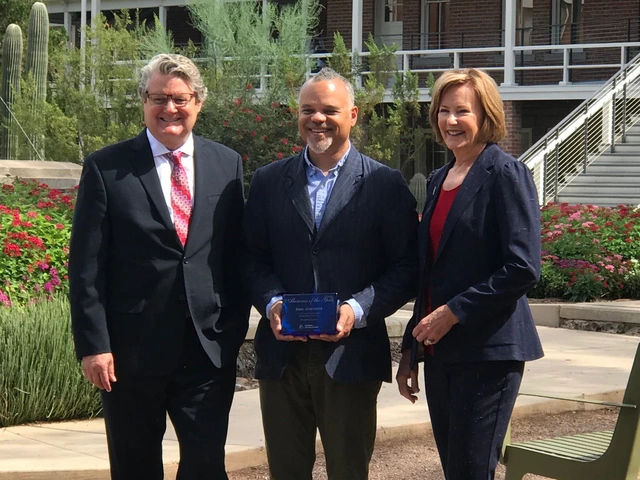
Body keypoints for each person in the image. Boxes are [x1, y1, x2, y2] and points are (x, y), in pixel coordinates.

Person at [68, 53, 250, 480]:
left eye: (180, 99)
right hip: (130, 354)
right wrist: (93, 344)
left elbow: (235, 255)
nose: (169, 109)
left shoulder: (227, 164)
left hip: (206, 352)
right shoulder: (106, 168)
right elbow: (86, 266)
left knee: (206, 466)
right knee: (135, 467)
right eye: (158, 98)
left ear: (198, 102)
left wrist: (232, 330)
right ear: (143, 102)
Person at [244, 67, 418, 480]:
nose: (317, 118)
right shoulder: (269, 181)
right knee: (285, 471)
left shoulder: (384, 183)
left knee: (348, 471)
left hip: (351, 356)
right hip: (282, 356)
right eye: (308, 109)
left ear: (353, 115)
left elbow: (407, 266)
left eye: (329, 110)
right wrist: (272, 302)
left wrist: (356, 310)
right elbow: (250, 258)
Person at [396, 68, 544, 480]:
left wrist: (454, 312)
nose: (450, 120)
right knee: (455, 471)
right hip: (441, 353)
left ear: (487, 115)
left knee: (471, 472)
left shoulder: (505, 173)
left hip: (488, 352)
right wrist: (411, 347)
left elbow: (523, 266)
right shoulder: (442, 177)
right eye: (443, 110)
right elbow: (431, 273)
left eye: (463, 110)